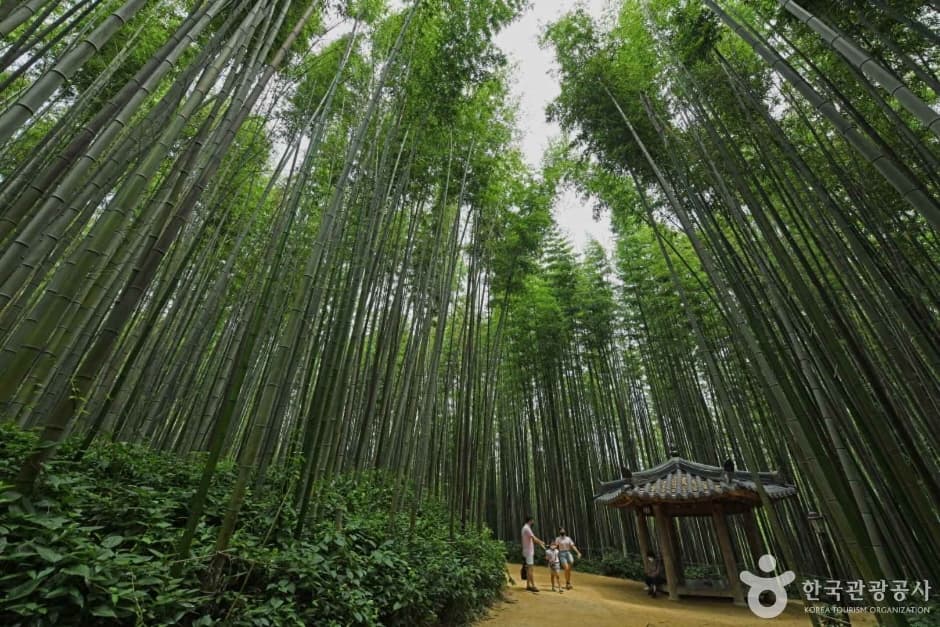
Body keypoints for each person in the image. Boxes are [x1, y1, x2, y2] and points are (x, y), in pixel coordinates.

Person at [521, 515, 546, 592]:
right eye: (533, 520)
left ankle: (528, 585)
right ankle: (533, 586)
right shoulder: (527, 528)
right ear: (530, 520)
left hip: (527, 550)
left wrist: (541, 544)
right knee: (530, 569)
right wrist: (541, 542)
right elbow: (534, 538)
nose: (533, 522)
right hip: (528, 551)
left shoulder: (524, 528)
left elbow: (532, 539)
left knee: (529, 568)